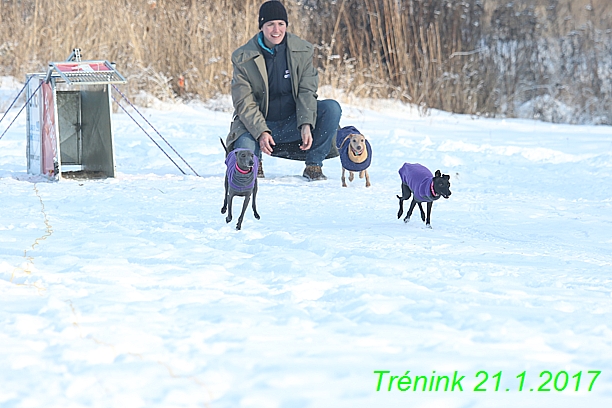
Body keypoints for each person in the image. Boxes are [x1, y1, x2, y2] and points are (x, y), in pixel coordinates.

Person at [225, 0, 342, 181]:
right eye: (270, 24)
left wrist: (306, 123)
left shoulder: (303, 51)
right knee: (245, 156)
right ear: (261, 27)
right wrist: (261, 131)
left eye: (281, 24)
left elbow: (307, 91)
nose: (276, 30)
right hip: (257, 126)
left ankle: (314, 165)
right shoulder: (242, 57)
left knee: (332, 108)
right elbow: (243, 102)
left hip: (292, 124)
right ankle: (256, 161)